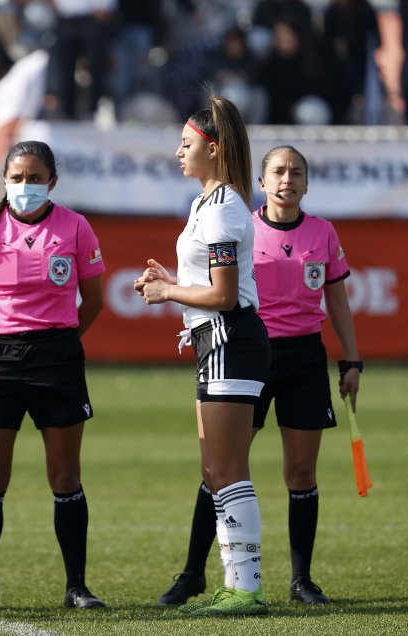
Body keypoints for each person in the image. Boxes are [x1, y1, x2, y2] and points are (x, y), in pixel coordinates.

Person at [156, 145, 362, 607]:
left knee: (301, 471)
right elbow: (215, 281)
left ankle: (302, 580)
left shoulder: (323, 233)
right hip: (251, 353)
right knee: (220, 469)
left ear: (307, 184)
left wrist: (351, 360)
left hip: (305, 358)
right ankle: (192, 574)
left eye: (297, 172)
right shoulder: (238, 222)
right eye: (278, 172)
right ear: (263, 182)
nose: (287, 179)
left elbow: (338, 299)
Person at [135, 96, 271, 616]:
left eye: (187, 144)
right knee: (216, 469)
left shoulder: (222, 209)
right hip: (218, 343)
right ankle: (238, 584)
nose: (178, 152)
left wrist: (169, 295)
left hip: (231, 340)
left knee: (227, 468)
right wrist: (174, 281)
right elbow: (211, 285)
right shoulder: (205, 204)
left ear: (212, 150)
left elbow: (225, 296)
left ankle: (245, 588)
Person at [0, 140, 107, 610]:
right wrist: (0, 333)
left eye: (36, 177)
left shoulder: (75, 227)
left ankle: (76, 587)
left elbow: (95, 300)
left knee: (65, 476)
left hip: (58, 357)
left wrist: (60, 335)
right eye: (18, 177)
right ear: (4, 180)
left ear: (53, 182)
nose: (26, 185)